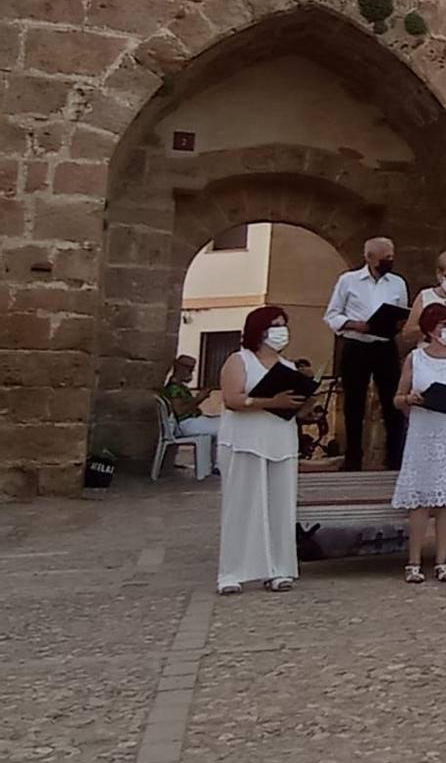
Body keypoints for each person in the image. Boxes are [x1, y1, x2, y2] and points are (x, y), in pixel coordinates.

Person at [215, 306, 305, 595]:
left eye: (284, 325)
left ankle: (278, 569)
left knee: (279, 506)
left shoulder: (288, 367)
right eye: (275, 325)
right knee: (243, 505)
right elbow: (232, 398)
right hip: (245, 441)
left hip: (280, 441)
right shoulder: (239, 360)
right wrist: (270, 401)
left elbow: (291, 404)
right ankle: (232, 572)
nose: (282, 330)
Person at [390, 302, 446, 583]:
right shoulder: (416, 358)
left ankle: (442, 560)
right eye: (445, 325)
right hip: (425, 431)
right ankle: (414, 561)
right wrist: (410, 400)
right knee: (420, 498)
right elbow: (397, 397)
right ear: (430, 329)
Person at [322, 235, 409, 471]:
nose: (389, 261)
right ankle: (353, 457)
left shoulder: (397, 283)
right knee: (354, 403)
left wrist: (397, 324)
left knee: (393, 401)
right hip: (356, 345)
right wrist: (353, 324)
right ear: (370, 258)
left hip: (384, 345)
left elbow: (402, 313)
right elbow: (332, 315)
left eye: (391, 257)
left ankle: (395, 457)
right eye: (384, 258)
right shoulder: (348, 281)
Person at [160, 355, 220, 441]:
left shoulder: (180, 387)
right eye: (190, 369)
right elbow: (180, 411)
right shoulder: (173, 389)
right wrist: (198, 399)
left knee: (224, 423)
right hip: (186, 425)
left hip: (191, 421)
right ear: (180, 368)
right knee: (225, 428)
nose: (191, 373)